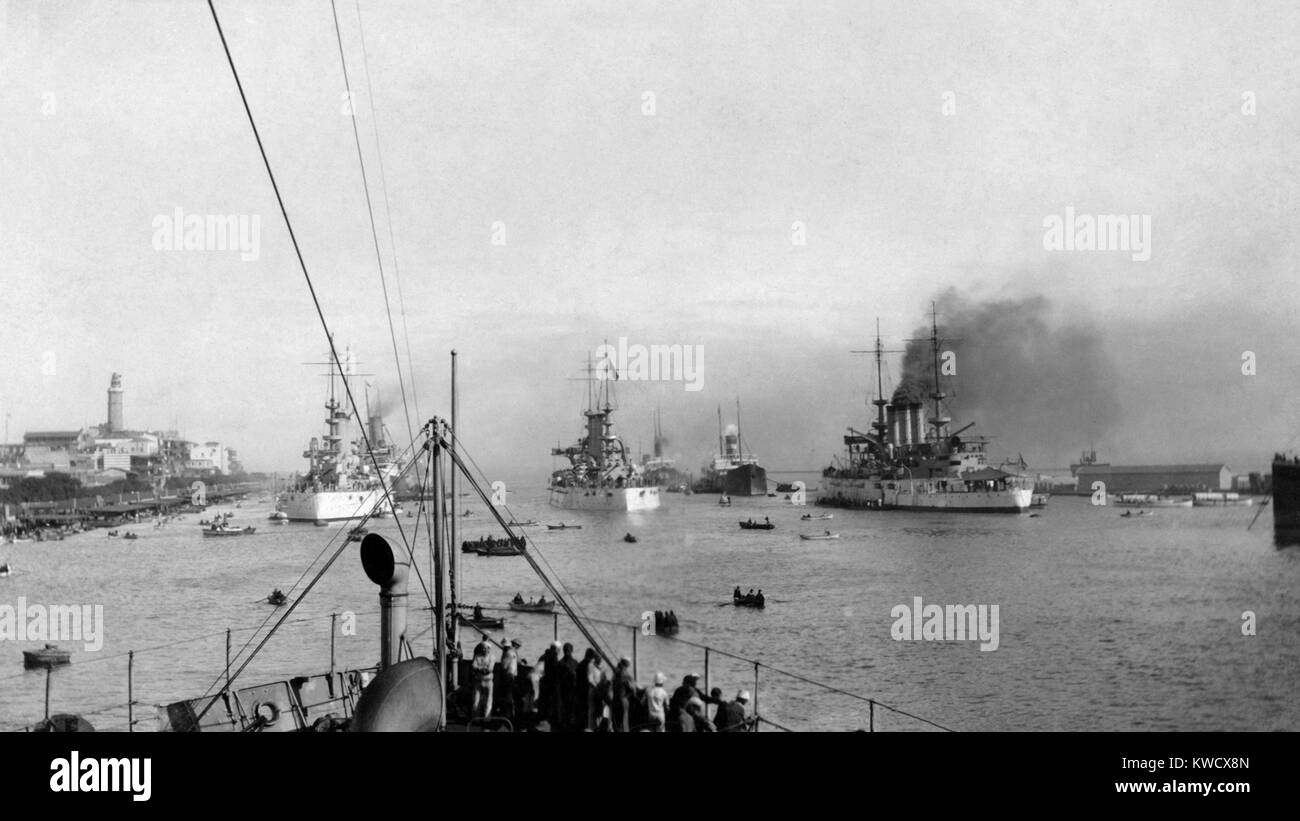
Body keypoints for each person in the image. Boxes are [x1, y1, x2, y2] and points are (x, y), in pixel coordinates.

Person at [610, 657, 635, 732]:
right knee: (624, 723)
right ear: (627, 664)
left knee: (616, 722)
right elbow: (632, 689)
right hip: (623, 700)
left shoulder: (615, 673)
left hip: (615, 700)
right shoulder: (625, 674)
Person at [470, 641, 494, 719]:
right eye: (483, 648)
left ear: (489, 649)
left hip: (488, 681)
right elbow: (473, 666)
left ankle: (487, 718)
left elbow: (489, 669)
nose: (484, 650)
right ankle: (475, 718)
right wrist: (483, 669)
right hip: (478, 681)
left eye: (486, 649)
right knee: (476, 700)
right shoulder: (477, 656)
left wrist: (478, 669)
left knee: (488, 700)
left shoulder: (492, 657)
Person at [585, 652, 607, 731]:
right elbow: (590, 679)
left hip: (601, 691)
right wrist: (597, 686)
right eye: (598, 658)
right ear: (595, 658)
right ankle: (592, 727)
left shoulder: (603, 668)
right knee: (592, 710)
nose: (600, 659)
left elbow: (604, 679)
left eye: (601, 658)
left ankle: (599, 727)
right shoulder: (591, 666)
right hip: (593, 690)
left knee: (601, 710)